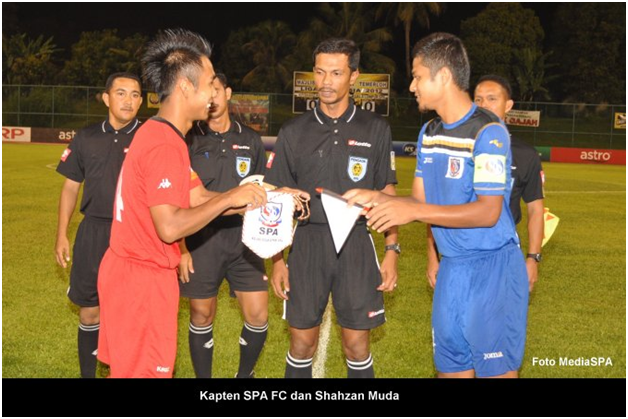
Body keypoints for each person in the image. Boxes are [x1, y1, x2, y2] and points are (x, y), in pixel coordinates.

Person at [344, 33, 529, 378]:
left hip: (493, 270)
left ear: (443, 76)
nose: (412, 86)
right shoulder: (429, 132)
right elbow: (419, 200)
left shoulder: (488, 132)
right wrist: (377, 197)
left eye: (417, 76)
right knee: (450, 369)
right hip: (452, 270)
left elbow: (488, 212)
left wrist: (414, 211)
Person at [96, 29, 268, 378]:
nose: (213, 95)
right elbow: (170, 226)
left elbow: (197, 197)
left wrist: (261, 198)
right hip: (141, 282)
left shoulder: (162, 134)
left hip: (132, 275)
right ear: (186, 87)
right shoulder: (164, 144)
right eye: (209, 83)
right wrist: (231, 196)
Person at [265, 38, 399, 379]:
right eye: (320, 72)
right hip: (307, 244)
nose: (326, 81)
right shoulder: (293, 131)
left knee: (357, 346)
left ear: (353, 76)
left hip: (355, 243)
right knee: (301, 344)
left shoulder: (376, 129)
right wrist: (277, 260)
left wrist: (392, 250)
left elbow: (388, 194)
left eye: (336, 73)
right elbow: (276, 198)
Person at [179, 72, 269, 378]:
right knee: (201, 314)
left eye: (216, 90)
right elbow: (180, 198)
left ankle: (244, 376)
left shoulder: (251, 139)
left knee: (258, 315)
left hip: (246, 241)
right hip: (202, 240)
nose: (212, 97)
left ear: (228, 93)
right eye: (207, 91)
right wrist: (182, 249)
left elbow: (264, 191)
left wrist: (275, 252)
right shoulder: (190, 138)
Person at [55, 72, 143, 378]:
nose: (128, 100)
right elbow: (70, 187)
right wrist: (61, 234)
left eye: (135, 94)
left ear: (141, 101)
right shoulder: (86, 137)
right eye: (121, 93)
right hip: (93, 232)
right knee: (90, 311)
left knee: (130, 313)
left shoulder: (149, 136)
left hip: (133, 234)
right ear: (106, 98)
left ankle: (123, 371)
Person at [472, 75, 545, 291]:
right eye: (478, 99)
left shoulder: (526, 155)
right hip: (462, 249)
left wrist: (533, 258)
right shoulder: (458, 147)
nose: (484, 105)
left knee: (503, 311)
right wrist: (433, 257)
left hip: (504, 250)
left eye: (492, 99)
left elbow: (535, 210)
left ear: (508, 105)